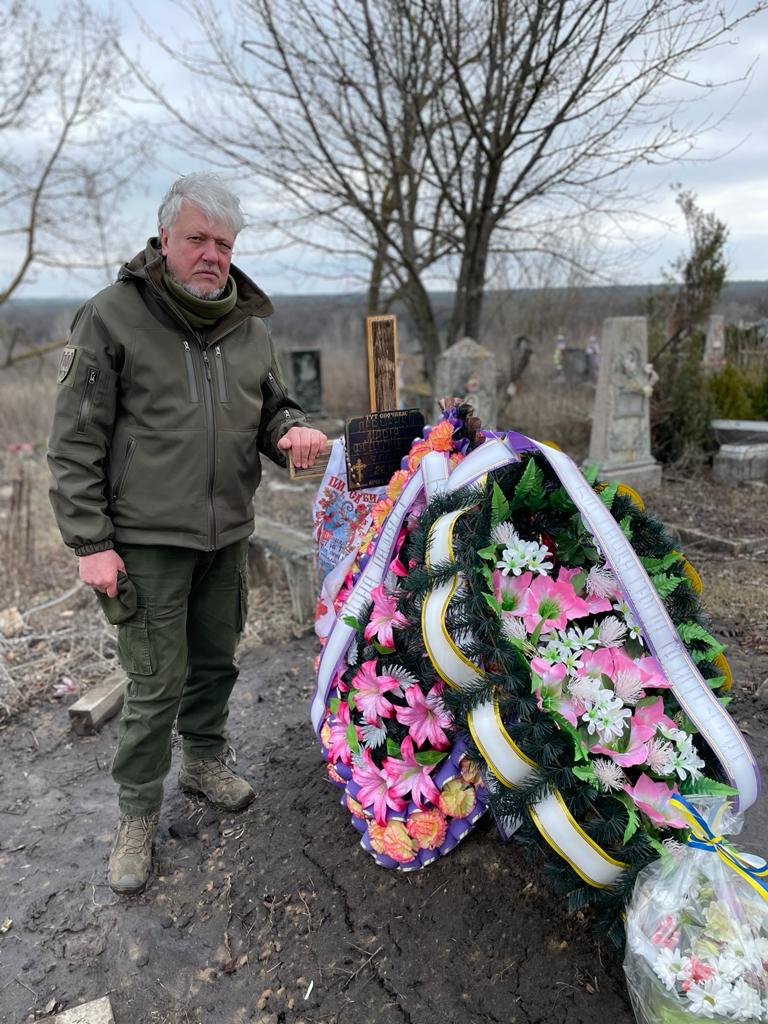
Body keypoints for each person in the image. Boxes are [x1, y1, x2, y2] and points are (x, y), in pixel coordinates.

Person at [47, 173, 327, 895]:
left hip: (227, 532)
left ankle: (204, 762)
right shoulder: (112, 317)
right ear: (165, 237)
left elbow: (270, 410)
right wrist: (90, 542)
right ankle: (137, 813)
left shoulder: (249, 327)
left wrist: (290, 431)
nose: (211, 255)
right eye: (197, 239)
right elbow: (74, 441)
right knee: (152, 683)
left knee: (216, 659)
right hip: (144, 540)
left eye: (224, 244)